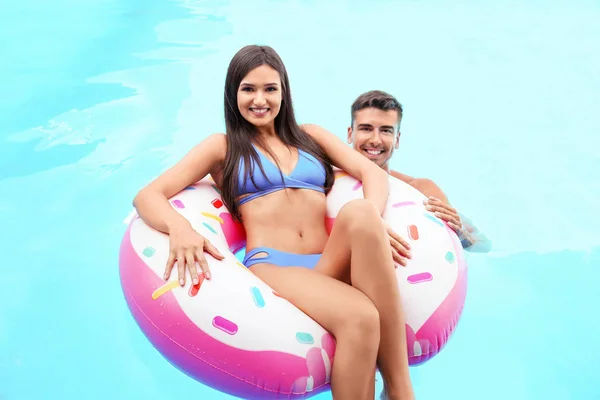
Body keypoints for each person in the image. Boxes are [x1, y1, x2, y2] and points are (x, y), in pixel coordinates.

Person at [132, 45, 414, 400]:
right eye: (248, 89)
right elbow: (147, 195)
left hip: (328, 261)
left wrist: (373, 219)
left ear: (284, 91)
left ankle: (399, 391)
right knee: (360, 317)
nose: (259, 99)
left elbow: (371, 173)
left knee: (359, 213)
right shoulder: (223, 147)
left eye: (270, 88)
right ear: (233, 93)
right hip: (276, 266)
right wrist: (180, 228)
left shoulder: (310, 136)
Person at [347, 90, 492, 255]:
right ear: (350, 134)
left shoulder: (421, 190)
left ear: (397, 139)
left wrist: (462, 235)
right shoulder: (329, 181)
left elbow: (483, 245)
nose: (375, 140)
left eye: (386, 131)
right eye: (366, 129)